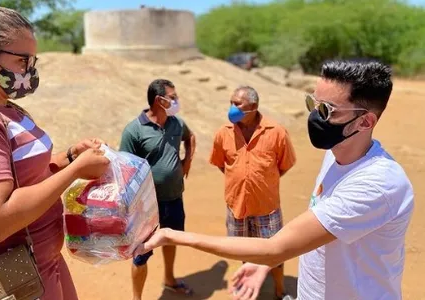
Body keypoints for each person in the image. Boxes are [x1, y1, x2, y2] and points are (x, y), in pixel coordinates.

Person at [137, 59, 414, 300]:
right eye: (313, 104)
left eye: (327, 111)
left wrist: (172, 234)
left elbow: (274, 247)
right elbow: (312, 228)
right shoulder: (336, 154)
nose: (315, 116)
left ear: (365, 122)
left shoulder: (376, 184)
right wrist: (263, 263)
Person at [0, 7, 110, 299]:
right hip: (15, 275)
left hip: (41, 261)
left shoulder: (3, 106)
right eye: (21, 60)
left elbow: (25, 174)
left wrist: (69, 156)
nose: (30, 70)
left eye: (33, 61)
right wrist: (74, 172)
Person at [209, 85, 296, 300]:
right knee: (242, 250)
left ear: (254, 106)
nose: (232, 108)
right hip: (236, 205)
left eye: (237, 104)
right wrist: (240, 181)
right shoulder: (223, 133)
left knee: (274, 252)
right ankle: (247, 286)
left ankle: (279, 290)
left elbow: (284, 165)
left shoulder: (276, 132)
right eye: (230, 102)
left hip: (266, 206)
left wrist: (263, 182)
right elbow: (222, 164)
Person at [119, 79, 196, 299]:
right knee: (141, 254)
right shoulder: (134, 130)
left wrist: (187, 162)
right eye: (172, 97)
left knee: (172, 239)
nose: (176, 100)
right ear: (159, 100)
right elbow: (125, 167)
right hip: (146, 206)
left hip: (174, 198)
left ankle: (170, 280)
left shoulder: (176, 123)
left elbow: (190, 138)